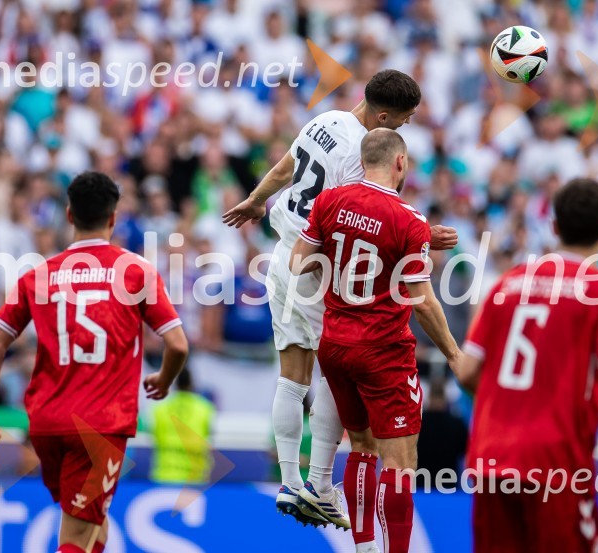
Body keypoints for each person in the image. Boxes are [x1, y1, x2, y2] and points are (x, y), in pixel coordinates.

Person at [222, 69, 458, 528]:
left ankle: (290, 481)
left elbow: (287, 167)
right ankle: (321, 483)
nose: (405, 129)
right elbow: (358, 221)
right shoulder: (358, 157)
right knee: (333, 365)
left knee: (292, 373)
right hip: (316, 264)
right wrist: (423, 235)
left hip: (281, 254)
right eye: (404, 122)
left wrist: (256, 200)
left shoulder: (324, 121)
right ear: (385, 115)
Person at [0, 172, 189, 553]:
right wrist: (165, 379)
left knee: (90, 524)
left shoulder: (37, 275)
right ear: (113, 218)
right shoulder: (134, 271)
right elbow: (178, 345)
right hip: (100, 426)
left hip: (47, 424)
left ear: (69, 215)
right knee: (76, 538)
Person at [456, 178, 598, 553]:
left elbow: (467, 372)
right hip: (556, 465)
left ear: (554, 226)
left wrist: (513, 403)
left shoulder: (507, 285)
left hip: (492, 458)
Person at [289, 128, 462, 553]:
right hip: (383, 351)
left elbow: (298, 262)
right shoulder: (408, 219)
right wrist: (455, 355)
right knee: (401, 462)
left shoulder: (330, 201)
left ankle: (365, 548)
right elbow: (422, 302)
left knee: (362, 447)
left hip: (336, 345)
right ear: (400, 162)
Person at [149, 367, 216, 484]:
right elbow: (210, 439)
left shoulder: (160, 408)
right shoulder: (205, 408)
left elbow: (152, 434)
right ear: (192, 383)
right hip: (194, 477)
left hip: (164, 474)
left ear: (175, 384)